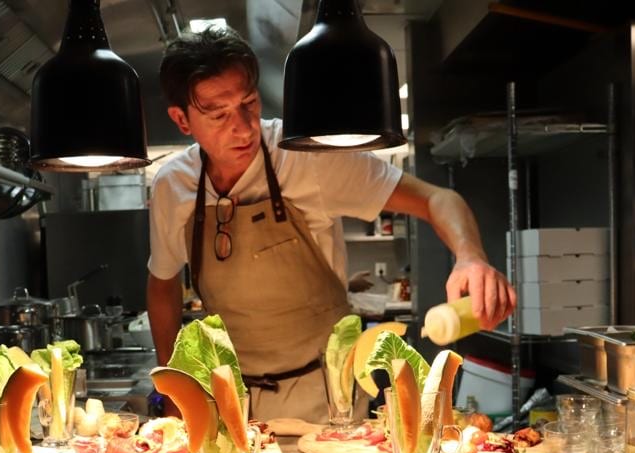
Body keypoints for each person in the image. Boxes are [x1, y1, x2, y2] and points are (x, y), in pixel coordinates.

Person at [146, 26, 516, 423]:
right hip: (230, 402)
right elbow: (162, 284)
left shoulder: (307, 157)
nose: (243, 126)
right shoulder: (174, 186)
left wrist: (470, 257)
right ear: (182, 120)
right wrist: (173, 386)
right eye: (218, 115)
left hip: (325, 400)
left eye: (249, 103)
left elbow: (437, 198)